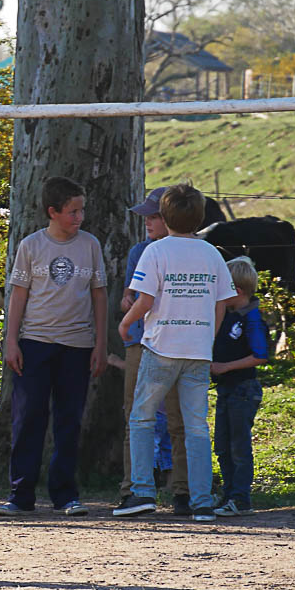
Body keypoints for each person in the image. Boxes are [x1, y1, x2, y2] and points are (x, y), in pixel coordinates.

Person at [114, 183, 236, 522]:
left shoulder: (155, 251)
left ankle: (141, 492)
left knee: (141, 417)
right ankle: (201, 501)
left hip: (161, 347)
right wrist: (206, 338)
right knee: (196, 425)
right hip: (197, 350)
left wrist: (126, 324)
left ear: (165, 216)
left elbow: (146, 300)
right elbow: (221, 302)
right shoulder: (212, 253)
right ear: (199, 218)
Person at [0, 176, 107, 518]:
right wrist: (11, 340)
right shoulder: (31, 246)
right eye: (72, 211)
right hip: (35, 343)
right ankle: (20, 494)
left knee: (69, 421)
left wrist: (101, 344)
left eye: (82, 210)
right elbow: (18, 295)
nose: (79, 217)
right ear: (52, 212)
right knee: (28, 419)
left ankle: (65, 494)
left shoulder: (90, 245)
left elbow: (99, 295)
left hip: (78, 345)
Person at [118, 186, 192, 515]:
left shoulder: (192, 252)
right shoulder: (140, 251)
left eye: (155, 215)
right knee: (136, 416)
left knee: (179, 420)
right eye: (147, 215)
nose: (148, 221)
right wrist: (129, 304)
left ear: (171, 218)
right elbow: (130, 295)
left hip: (175, 341)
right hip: (142, 341)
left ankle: (182, 489)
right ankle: (133, 487)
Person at [211, 257, 269, 516]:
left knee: (238, 446)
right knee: (222, 445)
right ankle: (229, 494)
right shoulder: (226, 316)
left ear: (238, 290)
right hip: (226, 390)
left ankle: (241, 498)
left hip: (243, 389)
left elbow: (260, 354)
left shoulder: (252, 319)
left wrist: (225, 367)